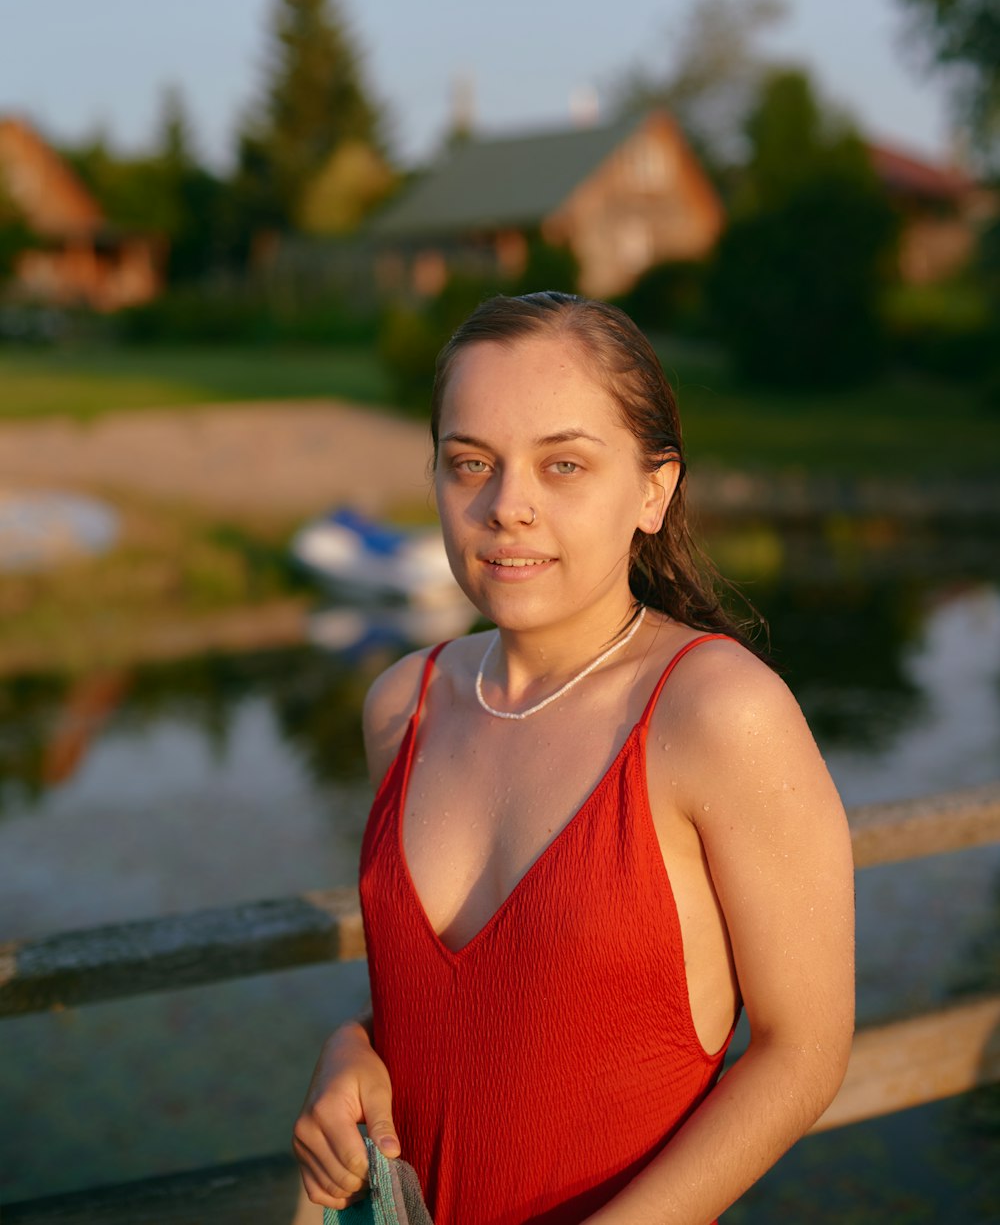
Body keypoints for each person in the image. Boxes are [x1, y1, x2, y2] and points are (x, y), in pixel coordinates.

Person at [294, 291, 855, 1225]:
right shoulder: (403, 703)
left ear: (653, 488)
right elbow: (483, 1013)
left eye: (563, 465)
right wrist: (351, 1047)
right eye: (471, 462)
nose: (507, 507)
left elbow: (805, 1051)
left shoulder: (719, 712)